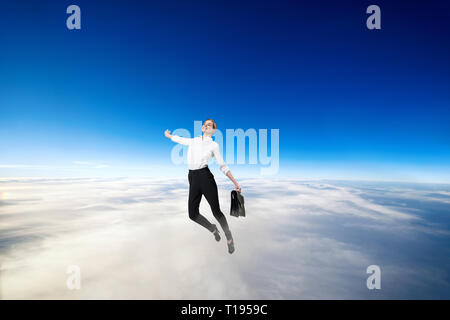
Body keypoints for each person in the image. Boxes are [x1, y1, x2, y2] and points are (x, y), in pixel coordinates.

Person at [164, 119, 241, 254]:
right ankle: (213, 229)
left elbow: (222, 165)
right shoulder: (194, 140)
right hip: (192, 177)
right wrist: (170, 136)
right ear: (202, 128)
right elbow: (181, 140)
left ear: (213, 130)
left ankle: (229, 237)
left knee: (216, 211)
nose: (206, 125)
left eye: (210, 125)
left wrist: (235, 183)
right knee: (192, 214)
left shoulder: (214, 145)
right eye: (205, 124)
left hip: (205, 178)